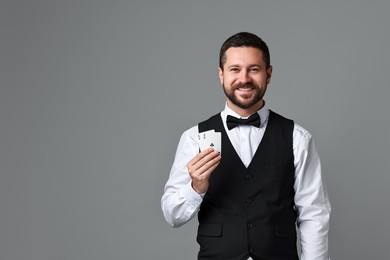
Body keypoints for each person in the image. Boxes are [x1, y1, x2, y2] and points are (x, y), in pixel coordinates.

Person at [161, 32, 331, 260]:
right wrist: (196, 187)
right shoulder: (194, 138)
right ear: (221, 75)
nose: (244, 79)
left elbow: (314, 215)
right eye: (234, 69)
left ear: (268, 74)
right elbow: (172, 216)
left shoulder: (297, 138)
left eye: (254, 69)